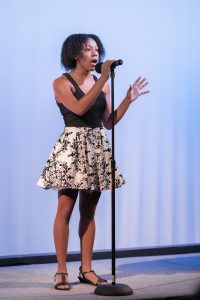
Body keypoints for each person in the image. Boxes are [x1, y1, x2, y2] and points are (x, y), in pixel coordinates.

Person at [37, 33, 149, 291]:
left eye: (97, 49)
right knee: (65, 209)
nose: (95, 54)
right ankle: (61, 271)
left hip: (96, 148)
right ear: (76, 54)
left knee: (89, 211)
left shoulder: (103, 84)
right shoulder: (61, 83)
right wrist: (104, 80)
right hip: (72, 148)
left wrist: (128, 100)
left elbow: (108, 123)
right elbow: (78, 109)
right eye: (88, 49)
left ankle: (86, 269)